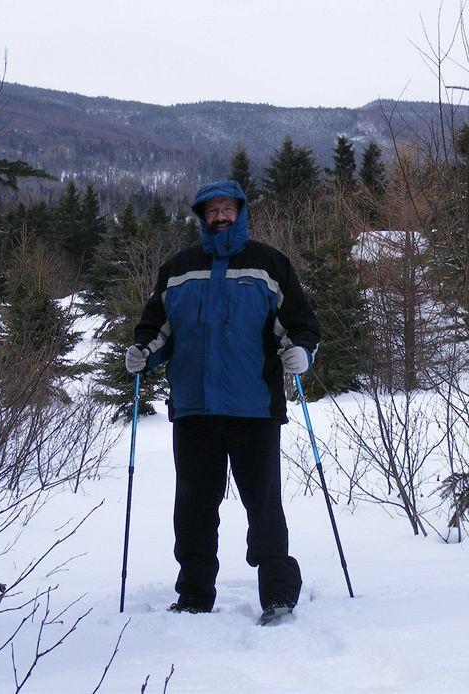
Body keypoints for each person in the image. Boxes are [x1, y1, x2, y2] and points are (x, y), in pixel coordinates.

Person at [126, 180, 320, 619]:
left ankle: (277, 593)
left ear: (240, 211)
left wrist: (300, 353)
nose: (220, 216)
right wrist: (143, 352)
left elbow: (300, 325)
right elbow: (158, 329)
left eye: (227, 208)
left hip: (254, 407)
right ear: (201, 215)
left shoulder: (269, 264)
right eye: (212, 210)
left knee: (263, 504)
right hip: (195, 409)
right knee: (193, 506)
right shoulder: (178, 269)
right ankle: (194, 594)